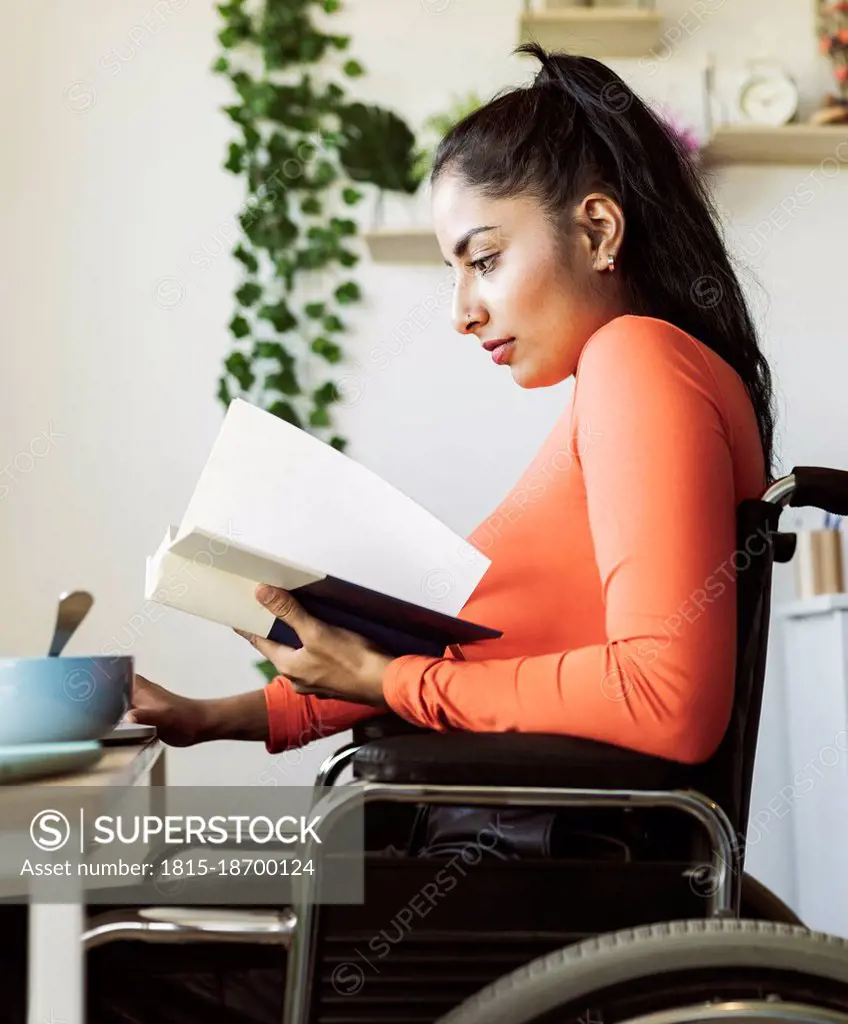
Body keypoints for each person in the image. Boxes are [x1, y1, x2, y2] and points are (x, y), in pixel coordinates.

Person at [21, 42, 780, 1024]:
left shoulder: (637, 364)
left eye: (484, 259)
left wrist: (386, 682)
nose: (463, 311)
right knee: (69, 886)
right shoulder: (643, 376)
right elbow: (491, 648)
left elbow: (663, 699)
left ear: (596, 228)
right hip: (499, 844)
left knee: (53, 917)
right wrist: (217, 715)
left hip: (514, 871)